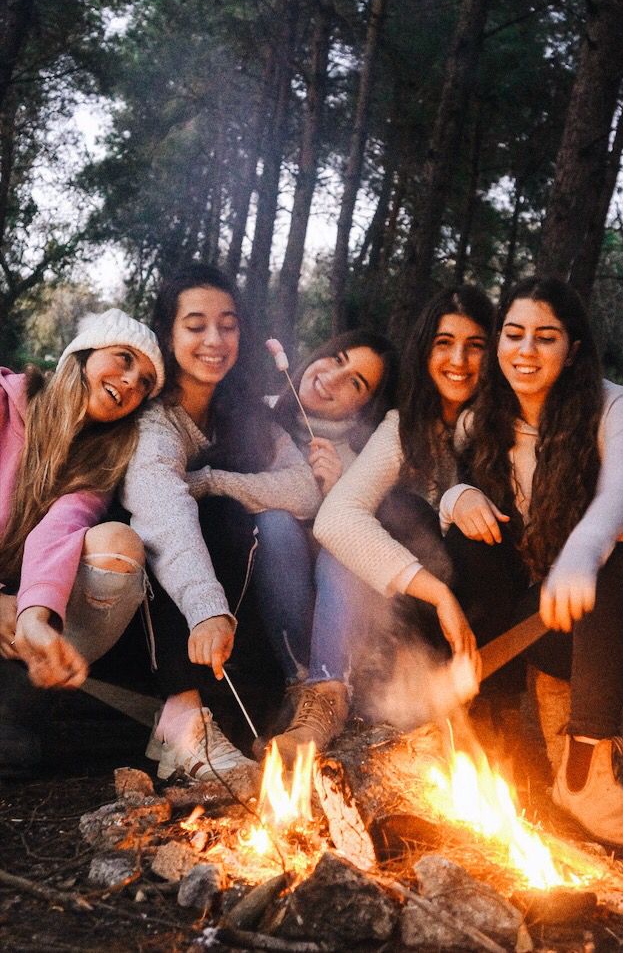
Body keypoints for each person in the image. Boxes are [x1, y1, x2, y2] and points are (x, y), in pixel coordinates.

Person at [440, 277, 623, 848]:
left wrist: (582, 550)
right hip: (535, 621)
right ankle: (483, 720)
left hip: (612, 609)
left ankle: (585, 771)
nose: (525, 351)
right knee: (470, 538)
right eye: (513, 334)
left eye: (545, 338)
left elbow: (622, 488)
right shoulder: (481, 422)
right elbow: (431, 495)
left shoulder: (614, 408)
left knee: (621, 551)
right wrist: (456, 499)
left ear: (572, 351)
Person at [267, 285, 493, 763]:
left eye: (475, 345)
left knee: (401, 517)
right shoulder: (401, 427)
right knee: (373, 525)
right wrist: (440, 593)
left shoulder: (504, 427)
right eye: (443, 342)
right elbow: (339, 519)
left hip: (477, 608)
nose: (458, 359)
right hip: (410, 613)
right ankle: (321, 697)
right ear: (425, 351)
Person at [120, 263, 324, 783]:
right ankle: (181, 718)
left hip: (224, 614)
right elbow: (164, 516)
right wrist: (207, 608)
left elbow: (303, 488)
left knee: (236, 509)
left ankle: (288, 694)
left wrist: (212, 480)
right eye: (195, 325)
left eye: (228, 324)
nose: (215, 339)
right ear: (168, 333)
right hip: (145, 599)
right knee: (194, 517)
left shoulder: (246, 411)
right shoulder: (153, 419)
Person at [0, 308, 165, 777]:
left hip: (17, 620)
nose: (132, 382)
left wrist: (33, 617)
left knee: (17, 754)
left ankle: (38, 684)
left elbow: (60, 530)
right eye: (123, 359)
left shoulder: (100, 463)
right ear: (83, 354)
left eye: (146, 383)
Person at [250, 330, 399, 754]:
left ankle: (327, 697)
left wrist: (337, 496)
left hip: (346, 627)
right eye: (337, 359)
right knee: (275, 523)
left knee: (347, 534)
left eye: (355, 382)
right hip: (266, 618)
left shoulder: (362, 460)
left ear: (365, 406)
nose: (333, 377)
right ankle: (300, 691)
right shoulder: (256, 417)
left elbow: (373, 556)